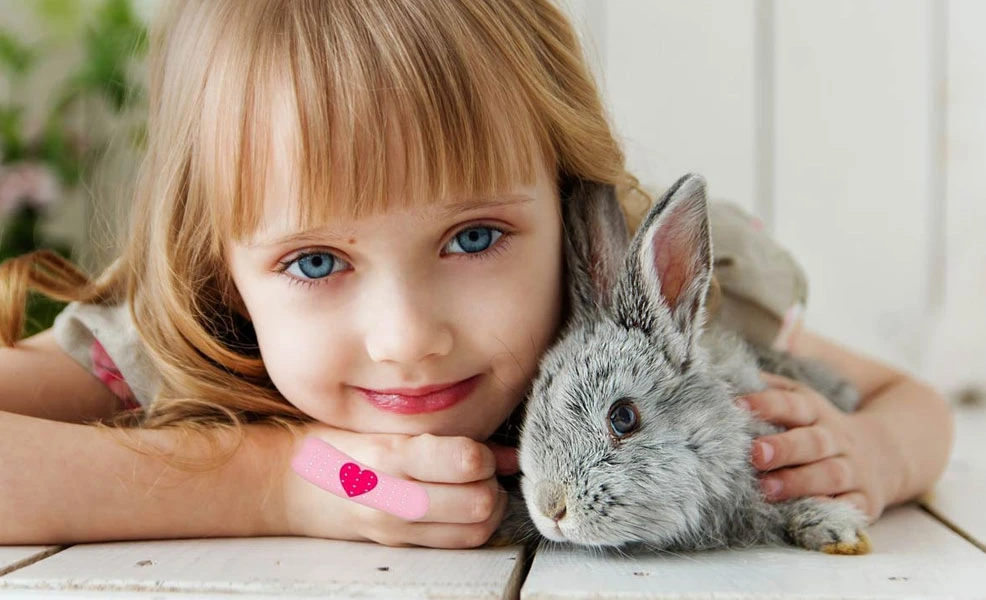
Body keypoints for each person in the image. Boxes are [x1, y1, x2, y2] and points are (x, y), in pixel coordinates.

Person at [0, 0, 952, 548]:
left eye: (472, 238)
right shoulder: (195, 332)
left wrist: (874, 455)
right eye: (316, 261)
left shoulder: (634, 293)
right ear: (223, 268)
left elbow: (908, 398)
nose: (407, 335)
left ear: (566, 189)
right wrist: (270, 484)